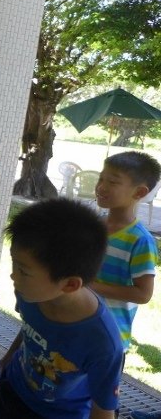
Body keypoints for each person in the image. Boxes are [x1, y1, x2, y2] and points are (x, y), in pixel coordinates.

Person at [0, 198, 123, 419]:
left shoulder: (103, 343)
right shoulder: (30, 294)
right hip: (12, 389)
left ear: (69, 284)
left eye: (23, 271)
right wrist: (7, 359)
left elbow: (103, 409)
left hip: (61, 414)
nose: (12, 276)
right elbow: (30, 328)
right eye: (14, 264)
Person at [90, 151, 159, 417]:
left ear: (139, 192)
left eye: (113, 182)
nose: (101, 187)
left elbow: (143, 294)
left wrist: (90, 286)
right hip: (78, 324)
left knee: (100, 403)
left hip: (109, 337)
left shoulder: (139, 241)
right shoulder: (94, 226)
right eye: (101, 178)